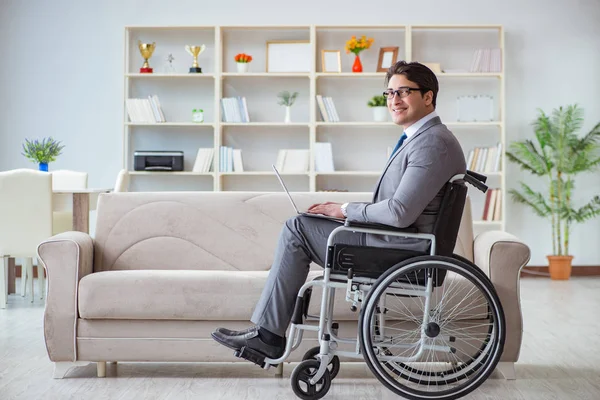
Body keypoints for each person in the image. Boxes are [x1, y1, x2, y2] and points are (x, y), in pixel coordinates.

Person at [211, 60, 467, 360]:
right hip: (396, 241)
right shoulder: (423, 139)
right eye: (389, 93)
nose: (394, 101)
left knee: (298, 228)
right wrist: (343, 212)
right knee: (306, 222)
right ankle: (269, 333)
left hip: (401, 249)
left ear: (428, 97)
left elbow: (399, 213)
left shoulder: (432, 143)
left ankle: (268, 336)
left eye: (404, 92)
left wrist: (345, 210)